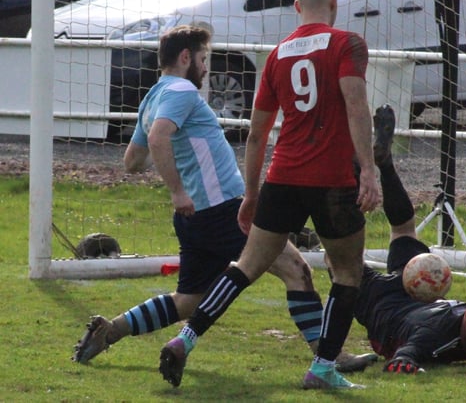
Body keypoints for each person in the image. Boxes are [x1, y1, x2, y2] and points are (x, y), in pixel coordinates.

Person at [71, 24, 375, 374]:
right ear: (185, 58)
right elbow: (158, 139)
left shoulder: (153, 96)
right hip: (223, 210)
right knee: (297, 271)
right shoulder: (183, 91)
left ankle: (111, 330)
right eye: (203, 59)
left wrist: (183, 169)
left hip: (195, 218)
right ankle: (328, 358)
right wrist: (178, 189)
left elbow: (132, 161)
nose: (205, 68)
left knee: (189, 301)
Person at [159, 0, 381, 390]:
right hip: (331, 181)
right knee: (347, 272)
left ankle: (186, 338)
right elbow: (356, 106)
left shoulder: (278, 54)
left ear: (298, 7)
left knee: (246, 266)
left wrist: (252, 194)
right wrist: (368, 170)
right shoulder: (347, 43)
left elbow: (257, 133)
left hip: (283, 178)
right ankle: (323, 368)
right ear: (334, 3)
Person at [352, 106, 466, 372]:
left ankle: (381, 164)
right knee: (343, 260)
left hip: (420, 284)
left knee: (403, 230)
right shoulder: (432, 336)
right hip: (384, 304)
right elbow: (406, 354)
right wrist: (404, 363)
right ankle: (352, 171)